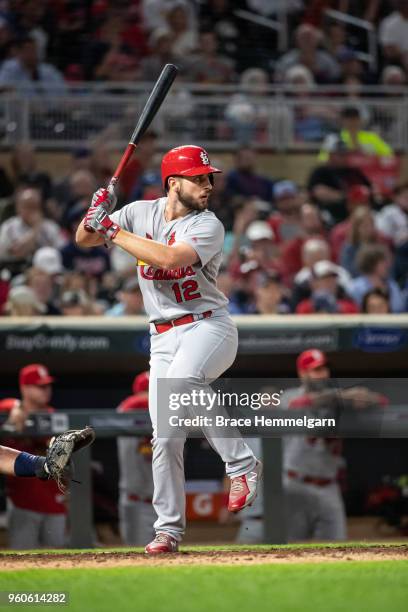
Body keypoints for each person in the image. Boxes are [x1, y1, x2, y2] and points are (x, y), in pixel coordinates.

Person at [76, 144, 261, 554]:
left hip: (207, 325)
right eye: (198, 177)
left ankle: (242, 465)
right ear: (173, 182)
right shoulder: (140, 212)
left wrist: (111, 229)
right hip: (162, 335)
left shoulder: (209, 224)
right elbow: (83, 237)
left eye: (208, 177)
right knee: (166, 437)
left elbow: (168, 258)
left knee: (184, 379)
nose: (207, 184)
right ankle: (168, 531)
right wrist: (97, 209)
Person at [0, 364, 67, 549]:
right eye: (40, 386)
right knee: (22, 559)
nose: (46, 390)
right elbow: (5, 404)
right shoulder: (8, 412)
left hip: (54, 503)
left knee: (60, 561)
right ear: (24, 388)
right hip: (23, 504)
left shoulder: (54, 416)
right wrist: (14, 406)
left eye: (48, 386)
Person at [117, 371, 156, 546]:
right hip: (137, 502)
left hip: (164, 504)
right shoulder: (128, 413)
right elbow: (128, 405)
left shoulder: (170, 417)